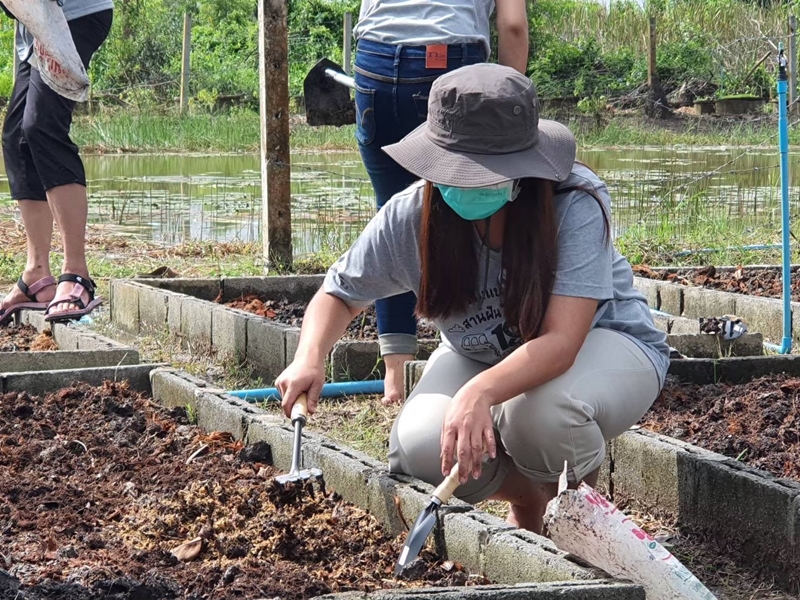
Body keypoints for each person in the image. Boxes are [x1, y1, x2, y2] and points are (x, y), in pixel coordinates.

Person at [276, 63, 670, 533]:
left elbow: (561, 342)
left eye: (485, 171)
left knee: (541, 417)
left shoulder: (572, 203)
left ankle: (579, 524)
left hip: (604, 341)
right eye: (458, 169)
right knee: (421, 447)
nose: (469, 182)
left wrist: (479, 392)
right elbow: (339, 294)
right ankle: (530, 497)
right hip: (480, 352)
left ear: (524, 165)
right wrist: (309, 356)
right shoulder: (412, 215)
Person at [352, 0, 529, 405]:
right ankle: (490, 354)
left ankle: (396, 374)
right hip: (450, 59)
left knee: (396, 213)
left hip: (375, 58)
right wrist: (508, 114)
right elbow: (513, 26)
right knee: (470, 206)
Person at [0, 0, 113, 326]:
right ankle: (37, 274)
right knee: (17, 138)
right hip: (37, 22)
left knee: (42, 125)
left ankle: (77, 273)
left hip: (75, 14)